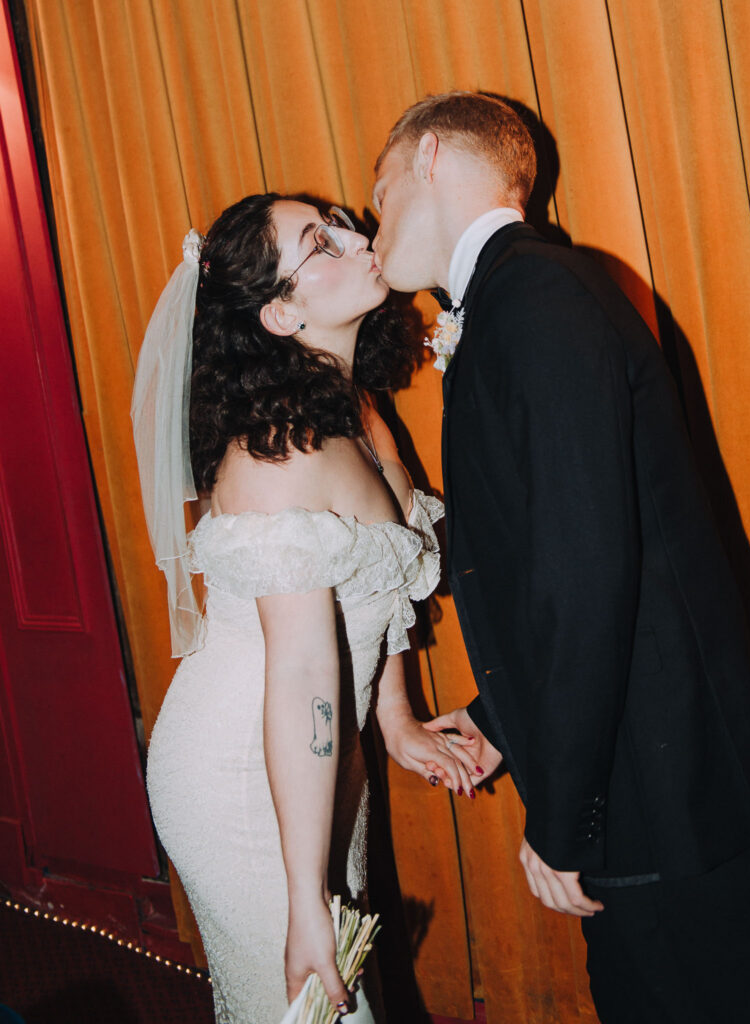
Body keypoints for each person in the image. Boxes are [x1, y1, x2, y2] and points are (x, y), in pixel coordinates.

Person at [371, 91, 750, 1023]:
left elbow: (586, 584)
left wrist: (561, 820)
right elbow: (566, 563)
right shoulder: (535, 294)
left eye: (379, 191)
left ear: (431, 157)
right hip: (659, 774)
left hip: (665, 796)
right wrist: (499, 716)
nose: (374, 222)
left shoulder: (538, 301)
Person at [131, 194, 474, 1024]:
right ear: (281, 313)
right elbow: (304, 671)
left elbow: (378, 579)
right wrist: (302, 897)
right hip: (240, 777)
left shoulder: (354, 410)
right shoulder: (275, 454)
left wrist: (394, 718)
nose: (358, 238)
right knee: (316, 1005)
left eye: (338, 222)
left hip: (318, 767)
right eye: (321, 243)